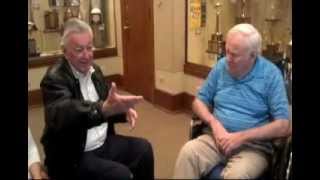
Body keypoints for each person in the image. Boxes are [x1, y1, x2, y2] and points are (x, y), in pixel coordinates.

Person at [40, 18, 154, 180]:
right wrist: (102, 109)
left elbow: (107, 105)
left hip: (102, 143)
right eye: (79, 49)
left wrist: (121, 110)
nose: (86, 55)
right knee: (120, 175)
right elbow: (64, 112)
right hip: (74, 154)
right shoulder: (54, 78)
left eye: (89, 48)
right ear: (64, 51)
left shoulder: (95, 71)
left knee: (144, 150)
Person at [173, 23, 291, 179]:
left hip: (252, 148)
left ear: (253, 55)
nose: (227, 58)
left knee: (236, 176)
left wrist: (241, 137)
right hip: (215, 139)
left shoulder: (271, 75)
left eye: (234, 55)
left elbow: (284, 125)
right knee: (187, 154)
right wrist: (214, 124)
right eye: (226, 51)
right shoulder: (221, 66)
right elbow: (198, 102)